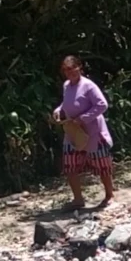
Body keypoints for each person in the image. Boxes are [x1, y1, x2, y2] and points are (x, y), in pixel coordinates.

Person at [52, 56, 114, 209]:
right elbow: (66, 103)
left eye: (72, 69)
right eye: (66, 70)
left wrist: (83, 118)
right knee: (70, 164)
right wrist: (58, 111)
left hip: (92, 131)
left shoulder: (88, 86)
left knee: (102, 165)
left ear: (79, 68)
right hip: (73, 131)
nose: (70, 73)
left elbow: (102, 105)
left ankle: (109, 195)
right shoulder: (67, 85)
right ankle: (78, 199)